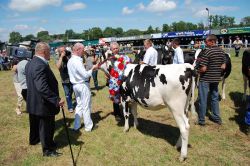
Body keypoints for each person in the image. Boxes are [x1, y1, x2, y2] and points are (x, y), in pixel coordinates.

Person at [25, 42, 64, 157]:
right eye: (49, 51)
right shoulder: (39, 65)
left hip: (34, 101)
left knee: (38, 124)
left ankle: (37, 140)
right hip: (43, 103)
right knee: (46, 126)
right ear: (44, 52)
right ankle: (48, 150)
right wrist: (56, 100)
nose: (50, 54)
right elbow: (42, 87)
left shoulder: (31, 63)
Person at [67, 43, 99, 132]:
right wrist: (93, 68)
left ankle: (76, 126)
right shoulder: (77, 60)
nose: (84, 51)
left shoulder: (71, 60)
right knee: (86, 106)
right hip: (82, 85)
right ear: (77, 50)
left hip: (76, 85)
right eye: (82, 49)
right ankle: (88, 126)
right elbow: (85, 75)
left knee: (79, 105)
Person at [196, 34, 226, 126]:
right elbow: (223, 66)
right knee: (214, 98)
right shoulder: (222, 52)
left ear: (212, 41)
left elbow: (204, 68)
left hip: (205, 79)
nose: (205, 43)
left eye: (206, 41)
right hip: (216, 79)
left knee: (203, 99)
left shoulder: (207, 52)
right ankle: (216, 117)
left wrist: (197, 71)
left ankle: (201, 120)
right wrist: (216, 72)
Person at [56, 46, 74, 113]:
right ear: (59, 52)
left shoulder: (69, 56)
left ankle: (72, 102)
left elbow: (72, 64)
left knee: (71, 92)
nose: (64, 52)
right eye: (62, 51)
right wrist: (61, 57)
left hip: (72, 78)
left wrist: (66, 57)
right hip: (64, 80)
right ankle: (70, 107)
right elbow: (58, 67)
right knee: (67, 94)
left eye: (65, 50)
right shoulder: (58, 57)